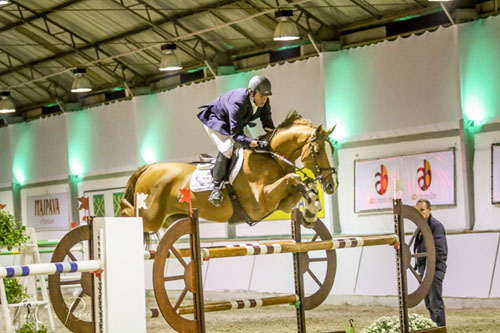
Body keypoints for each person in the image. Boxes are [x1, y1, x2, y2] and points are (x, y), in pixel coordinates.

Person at [197, 75, 275, 207]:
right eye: (261, 96)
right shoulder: (238, 102)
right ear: (252, 93)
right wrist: (255, 143)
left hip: (235, 124)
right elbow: (237, 135)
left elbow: (267, 124)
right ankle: (216, 188)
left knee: (250, 147)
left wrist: (274, 139)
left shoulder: (264, 102)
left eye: (266, 97)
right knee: (228, 148)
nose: (264, 100)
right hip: (217, 121)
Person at [414, 199, 448, 327]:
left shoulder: (436, 226)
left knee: (435, 304)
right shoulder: (420, 227)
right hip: (424, 270)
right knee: (429, 304)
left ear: (429, 210)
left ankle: (439, 329)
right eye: (416, 211)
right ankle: (435, 328)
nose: (419, 213)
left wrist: (433, 270)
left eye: (422, 210)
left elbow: (440, 250)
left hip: (433, 270)